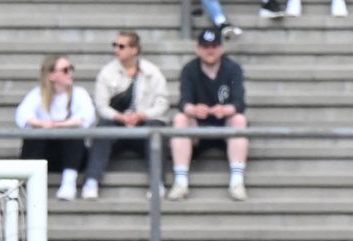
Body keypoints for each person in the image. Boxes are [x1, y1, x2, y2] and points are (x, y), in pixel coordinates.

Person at [84, 31, 169, 199]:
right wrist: (120, 117)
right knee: (103, 128)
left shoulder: (152, 72)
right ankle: (91, 181)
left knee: (156, 129)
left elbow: (162, 102)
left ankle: (156, 182)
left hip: (144, 123)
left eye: (121, 46)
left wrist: (143, 115)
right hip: (117, 124)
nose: (116, 49)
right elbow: (101, 106)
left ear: (134, 50)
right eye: (114, 45)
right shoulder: (107, 73)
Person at [169, 28, 248, 202]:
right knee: (180, 119)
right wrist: (193, 109)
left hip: (224, 125)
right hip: (198, 127)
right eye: (205, 46)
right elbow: (183, 102)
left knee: (238, 119)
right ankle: (180, 181)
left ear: (221, 48)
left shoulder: (233, 68)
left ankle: (237, 181)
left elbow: (239, 102)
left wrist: (226, 109)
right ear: (198, 48)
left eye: (214, 45)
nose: (210, 50)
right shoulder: (189, 69)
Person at [16, 54, 96, 202]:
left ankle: (68, 183)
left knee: (73, 134)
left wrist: (62, 125)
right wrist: (42, 124)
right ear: (52, 75)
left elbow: (88, 116)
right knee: (34, 137)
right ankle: (31, 185)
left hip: (72, 155)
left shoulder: (79, 93)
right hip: (46, 154)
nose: (70, 73)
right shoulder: (38, 94)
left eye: (71, 69)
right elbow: (22, 114)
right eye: (65, 70)